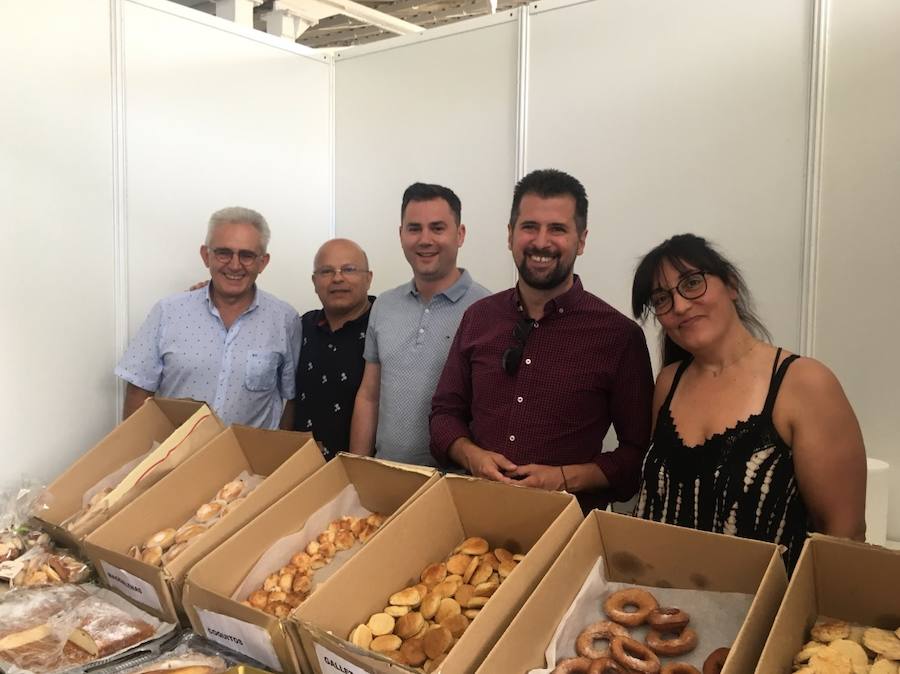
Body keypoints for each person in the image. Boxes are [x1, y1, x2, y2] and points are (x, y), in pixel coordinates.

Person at [630, 233, 866, 569]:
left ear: (732, 285)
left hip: (772, 611)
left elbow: (844, 534)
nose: (680, 305)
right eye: (662, 299)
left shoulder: (804, 383)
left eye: (692, 283)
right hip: (670, 608)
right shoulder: (669, 381)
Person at [430, 169, 654, 511]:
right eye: (529, 226)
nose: (541, 242)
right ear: (510, 235)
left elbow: (637, 454)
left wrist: (564, 478)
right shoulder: (478, 317)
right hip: (475, 515)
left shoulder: (619, 337)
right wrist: (472, 456)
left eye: (558, 229)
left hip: (568, 529)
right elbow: (444, 414)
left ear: (581, 240)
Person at [115, 207, 301, 429]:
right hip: (176, 460)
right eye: (224, 253)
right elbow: (139, 390)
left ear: (263, 262)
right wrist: (140, 455)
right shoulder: (168, 313)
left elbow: (290, 400)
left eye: (247, 255)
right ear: (206, 255)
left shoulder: (284, 320)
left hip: (248, 462)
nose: (234, 264)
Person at [349, 183, 491, 466]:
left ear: (460, 234)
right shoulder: (384, 305)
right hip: (386, 475)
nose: (425, 239)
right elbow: (369, 395)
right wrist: (357, 467)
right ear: (401, 234)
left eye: (438, 228)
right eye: (414, 228)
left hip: (455, 483)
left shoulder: (487, 310)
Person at [285, 238, 375, 459]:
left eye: (349, 269)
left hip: (364, 471)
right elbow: (290, 397)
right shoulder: (301, 326)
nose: (337, 278)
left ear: (369, 278)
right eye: (326, 271)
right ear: (314, 281)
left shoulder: (384, 325)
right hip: (301, 468)